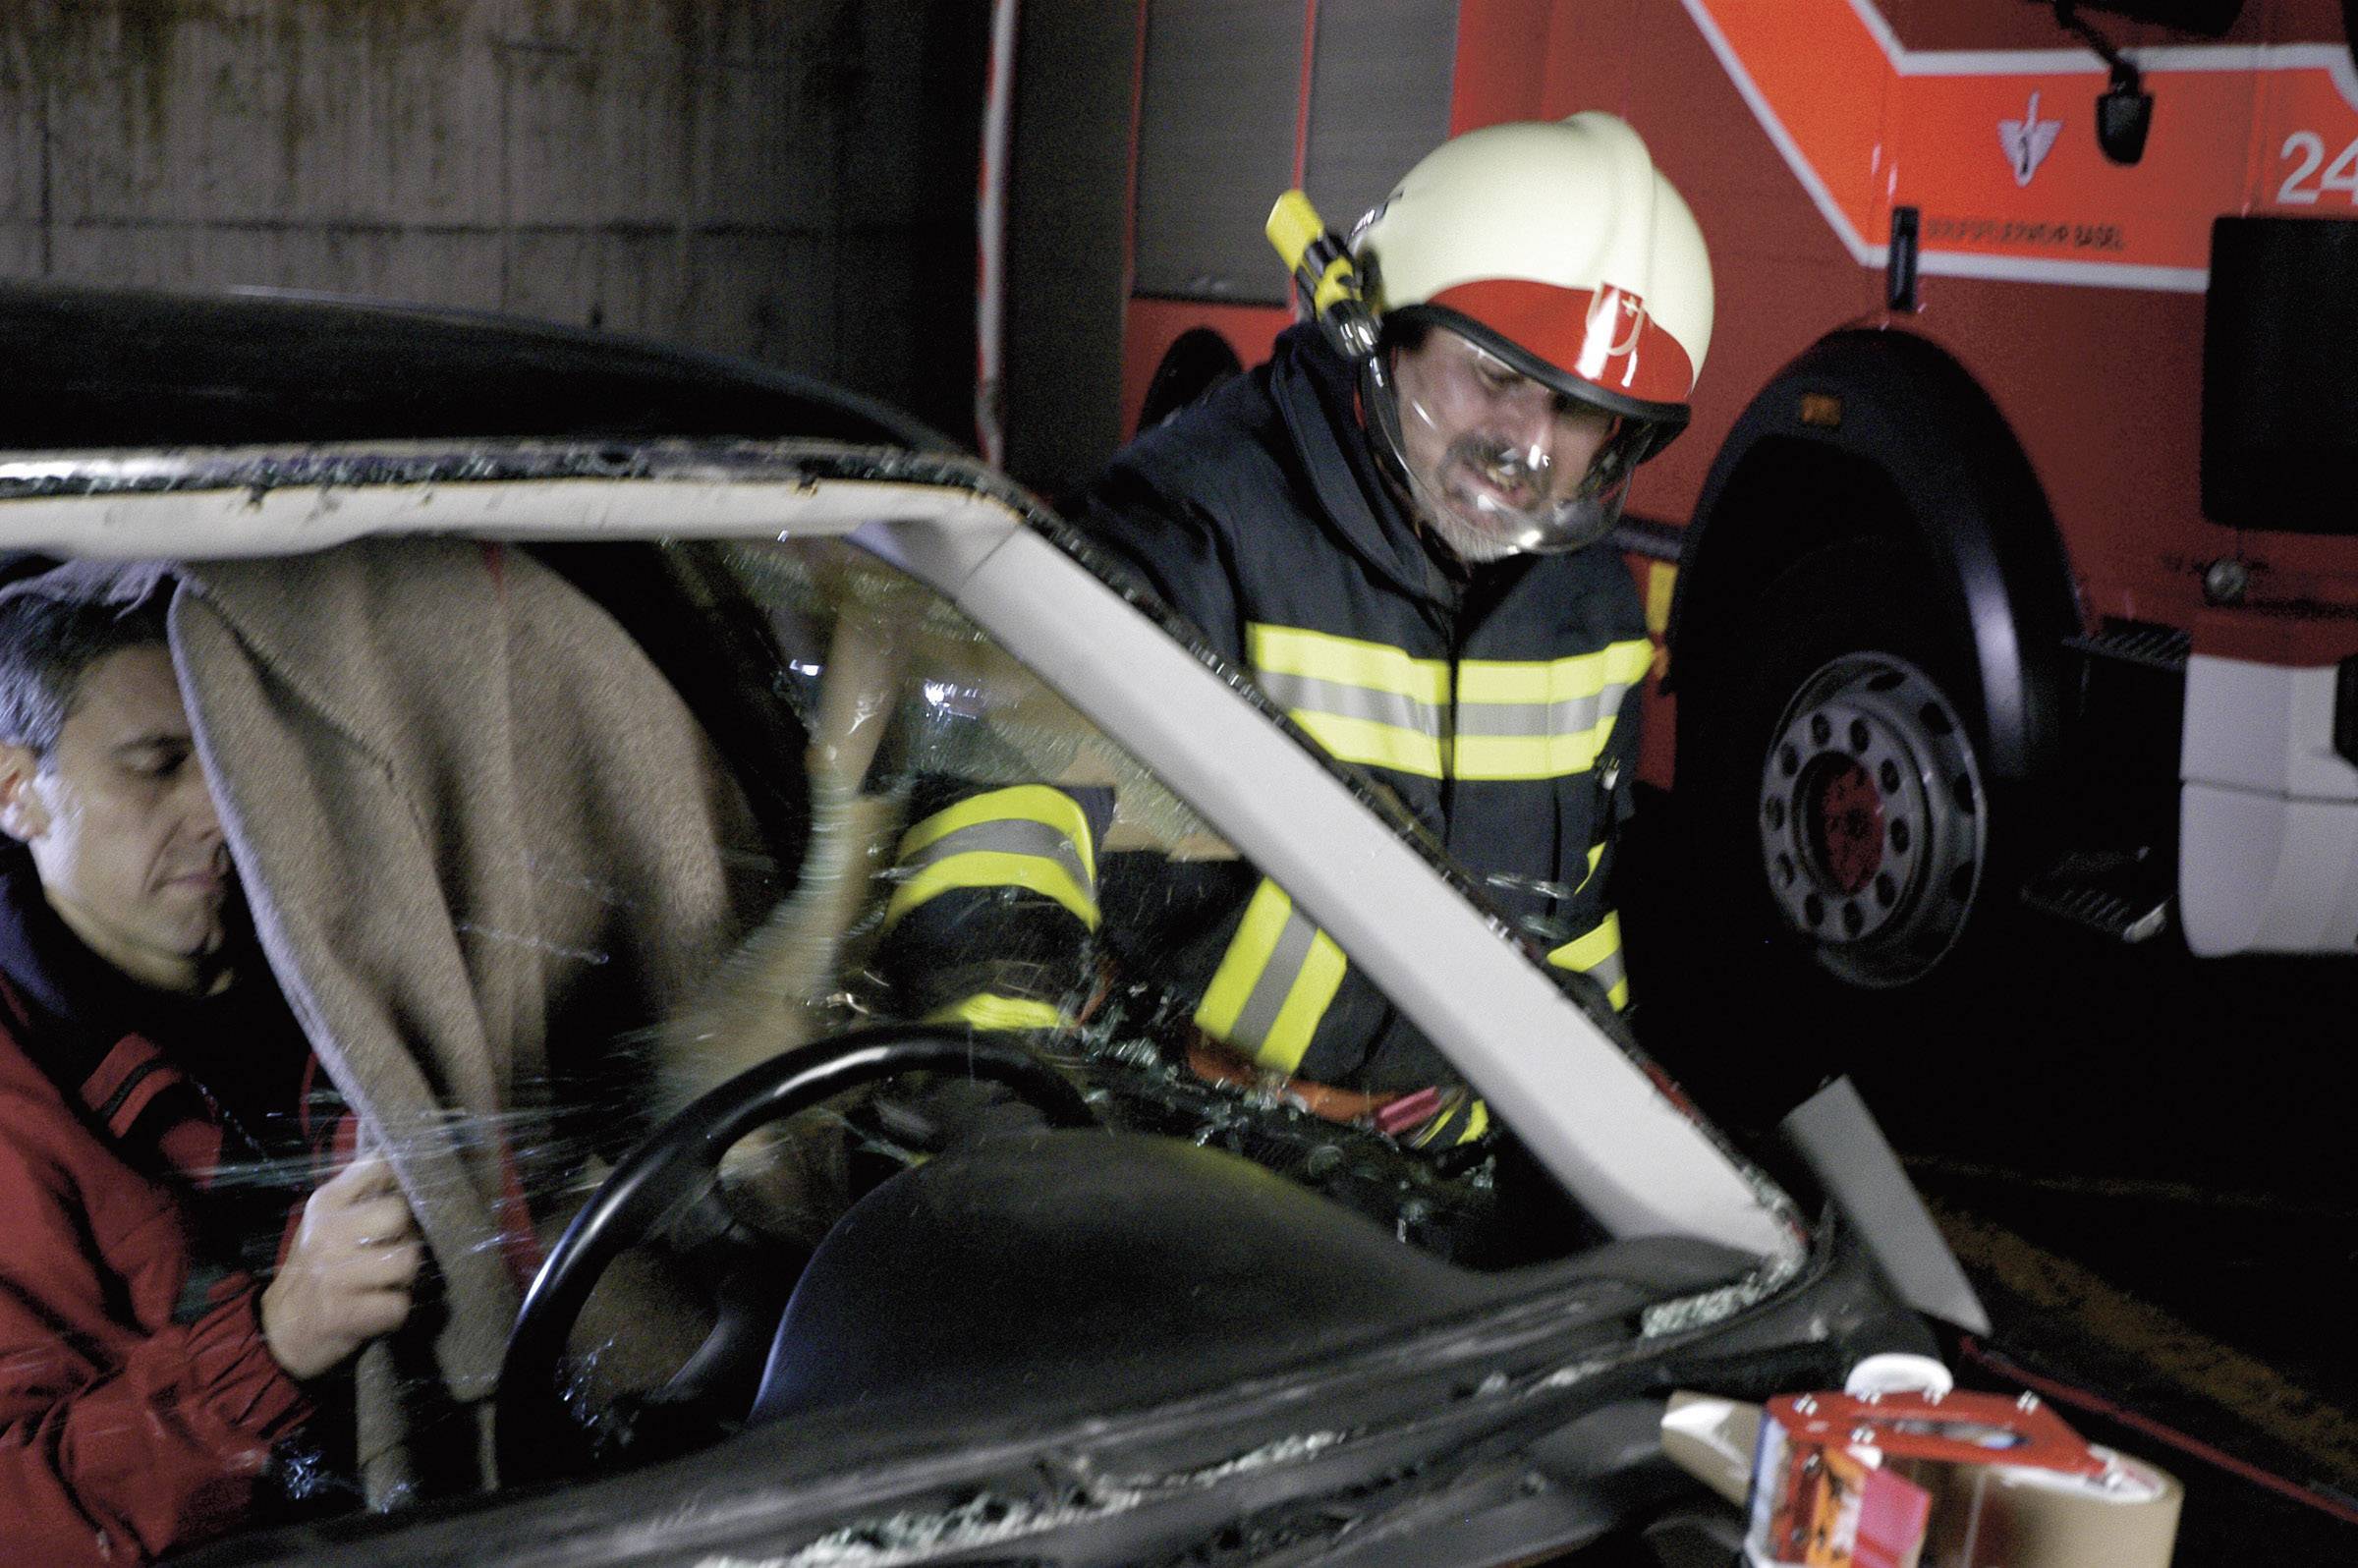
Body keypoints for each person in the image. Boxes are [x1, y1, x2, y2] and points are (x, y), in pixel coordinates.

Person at [1059, 113, 1714, 1143]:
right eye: (1497, 375)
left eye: (1579, 411)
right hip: (1182, 1161)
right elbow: (1008, 850)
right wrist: (1014, 1117)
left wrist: (1598, 1151)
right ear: (1380, 329)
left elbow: (1575, 947)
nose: (1528, 449)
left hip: (1447, 1184)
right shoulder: (1194, 526)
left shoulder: (1592, 616)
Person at [0, 581, 420, 1566]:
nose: (220, 809)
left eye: (233, 752)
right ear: (16, 791)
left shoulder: (370, 949)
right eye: (158, 767)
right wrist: (273, 1344)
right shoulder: (21, 1104)